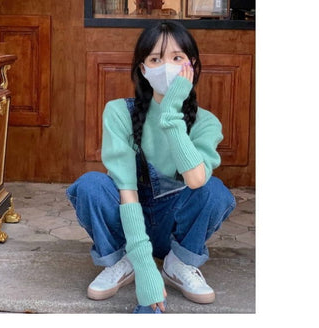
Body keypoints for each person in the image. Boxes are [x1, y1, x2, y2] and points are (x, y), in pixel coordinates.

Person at [66, 21, 236, 313]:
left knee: (214, 191)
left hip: (174, 222)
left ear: (193, 66)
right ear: (143, 69)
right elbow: (127, 191)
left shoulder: (206, 122)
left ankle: (179, 262)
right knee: (90, 186)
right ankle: (122, 260)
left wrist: (171, 115)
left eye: (177, 57)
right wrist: (145, 267)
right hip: (129, 217)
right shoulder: (119, 112)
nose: (166, 67)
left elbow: (196, 180)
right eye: (156, 59)